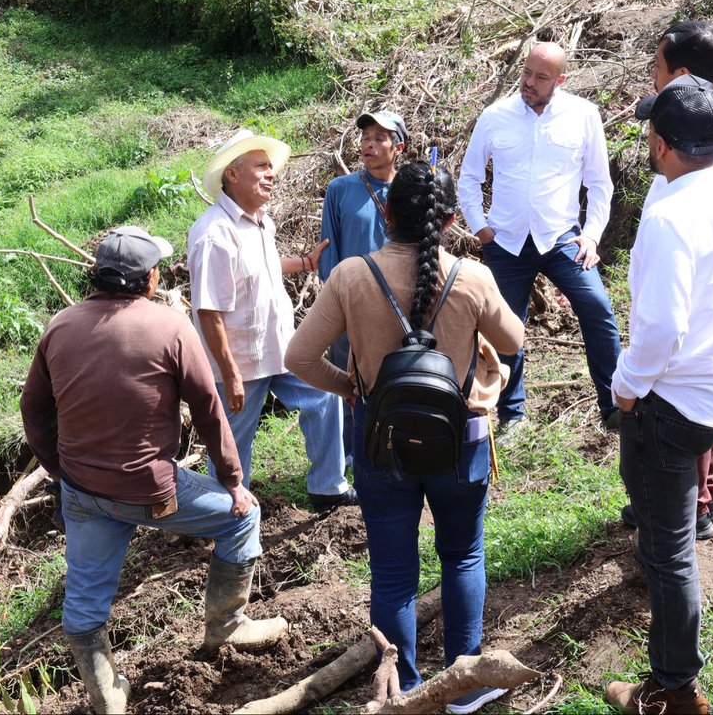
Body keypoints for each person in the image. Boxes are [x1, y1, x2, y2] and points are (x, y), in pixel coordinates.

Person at [286, 161, 523, 715]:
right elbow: (513, 340)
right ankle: (463, 686)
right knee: (463, 554)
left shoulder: (351, 275)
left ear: (386, 213)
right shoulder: (472, 276)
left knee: (392, 573)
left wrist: (351, 387)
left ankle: (405, 687)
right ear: (450, 219)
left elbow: (298, 357)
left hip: (379, 439)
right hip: (458, 442)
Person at [20, 226, 287, 715]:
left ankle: (107, 698)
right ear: (148, 279)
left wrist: (58, 468)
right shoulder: (169, 327)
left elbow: (33, 408)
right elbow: (208, 411)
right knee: (243, 518)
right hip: (150, 490)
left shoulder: (60, 326)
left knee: (84, 607)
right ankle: (227, 625)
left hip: (81, 490)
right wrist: (233, 482)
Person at [605, 76, 713, 715]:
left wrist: (624, 393)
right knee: (669, 540)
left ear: (665, 145)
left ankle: (674, 690)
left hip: (672, 407)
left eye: (652, 131)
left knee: (668, 551)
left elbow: (658, 330)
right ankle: (674, 678)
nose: (647, 140)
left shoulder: (670, 215)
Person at [623, 20, 713, 538]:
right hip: (709, 307)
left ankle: (692, 504)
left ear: (680, 73)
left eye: (657, 68)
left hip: (693, 320)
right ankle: (699, 497)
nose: (652, 78)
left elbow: (665, 325)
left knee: (684, 414)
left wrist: (628, 386)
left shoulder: (704, 142)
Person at [458, 42, 622, 433]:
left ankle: (615, 407)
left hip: (563, 239)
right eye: (526, 73)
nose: (529, 82)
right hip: (506, 241)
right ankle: (511, 414)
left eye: (540, 77)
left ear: (560, 80)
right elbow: (469, 178)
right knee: (503, 328)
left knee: (598, 310)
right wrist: (481, 228)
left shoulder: (583, 115)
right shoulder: (494, 116)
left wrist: (593, 236)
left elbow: (599, 183)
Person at [189, 128, 356, 511]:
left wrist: (304, 264)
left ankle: (328, 486)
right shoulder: (214, 235)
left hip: (280, 347)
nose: (271, 174)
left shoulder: (261, 222)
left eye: (270, 167)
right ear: (233, 175)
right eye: (261, 166)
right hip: (241, 362)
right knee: (234, 445)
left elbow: (258, 270)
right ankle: (226, 511)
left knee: (326, 394)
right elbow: (209, 310)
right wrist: (229, 374)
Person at [319, 110, 408, 455]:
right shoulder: (340, 190)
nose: (368, 145)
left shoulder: (411, 187)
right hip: (352, 306)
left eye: (379, 138)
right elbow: (329, 255)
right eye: (365, 138)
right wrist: (340, 303)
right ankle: (351, 453)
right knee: (349, 383)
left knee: (398, 377)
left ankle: (397, 446)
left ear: (397, 147)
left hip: (401, 308)